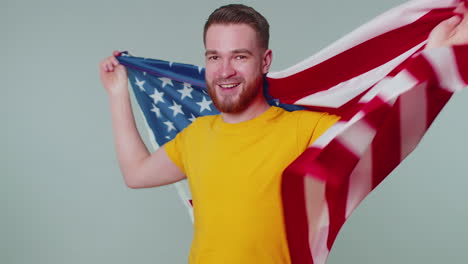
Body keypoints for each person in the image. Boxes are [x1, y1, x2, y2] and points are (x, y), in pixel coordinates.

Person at [99, 3, 468, 264]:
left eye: (239, 56)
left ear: (265, 61)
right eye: (214, 57)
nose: (224, 70)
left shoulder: (303, 129)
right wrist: (118, 94)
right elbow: (137, 173)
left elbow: (382, 129)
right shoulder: (197, 134)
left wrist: (433, 58)